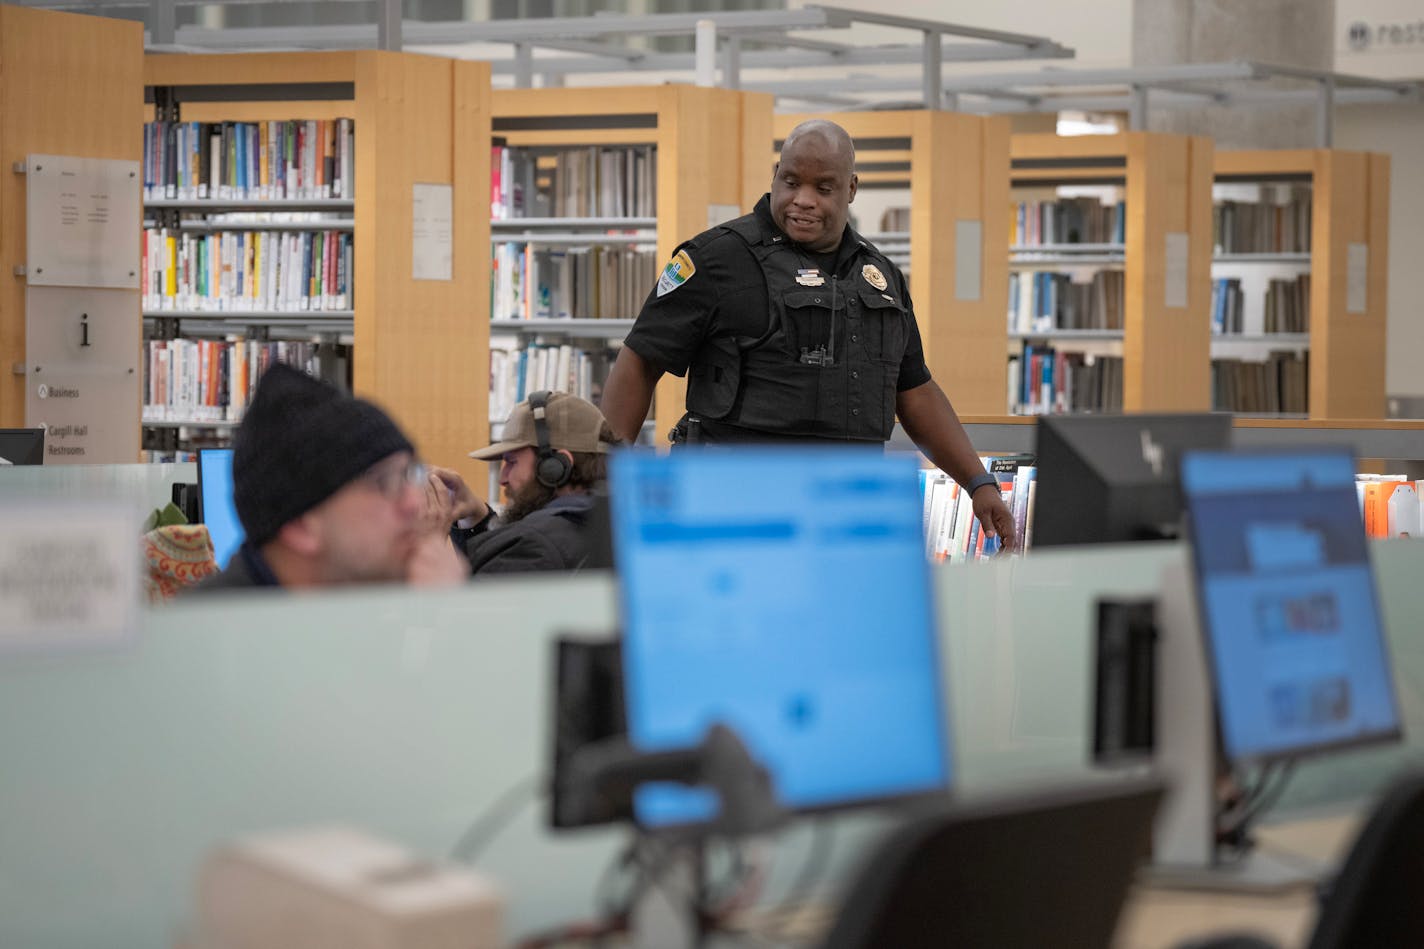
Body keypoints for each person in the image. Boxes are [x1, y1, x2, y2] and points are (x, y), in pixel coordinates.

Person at [601, 118, 1017, 550]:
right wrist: (608, 481)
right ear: (775, 175)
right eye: (791, 181)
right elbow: (639, 360)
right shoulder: (716, 260)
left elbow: (914, 390)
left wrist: (977, 481)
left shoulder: (880, 277)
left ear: (851, 189)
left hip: (843, 518)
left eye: (824, 188)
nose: (803, 200)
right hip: (733, 513)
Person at [193, 364, 467, 591]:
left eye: (410, 475)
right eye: (383, 483)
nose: (415, 503)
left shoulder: (346, 599)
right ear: (301, 525)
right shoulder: (212, 641)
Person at [432, 390, 622, 575]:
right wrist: (476, 517)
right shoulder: (610, 527)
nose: (502, 478)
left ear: (556, 467)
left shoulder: (531, 547)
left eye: (511, 462)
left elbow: (467, 605)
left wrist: (428, 543)